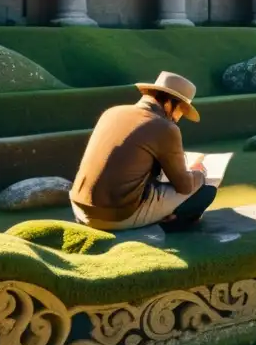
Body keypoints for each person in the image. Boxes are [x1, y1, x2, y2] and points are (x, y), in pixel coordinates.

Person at [70, 71, 217, 232]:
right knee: (205, 191)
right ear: (168, 103)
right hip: (113, 216)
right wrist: (198, 174)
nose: (179, 117)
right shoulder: (166, 127)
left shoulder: (111, 112)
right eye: (181, 110)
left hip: (79, 209)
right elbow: (184, 187)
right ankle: (169, 222)